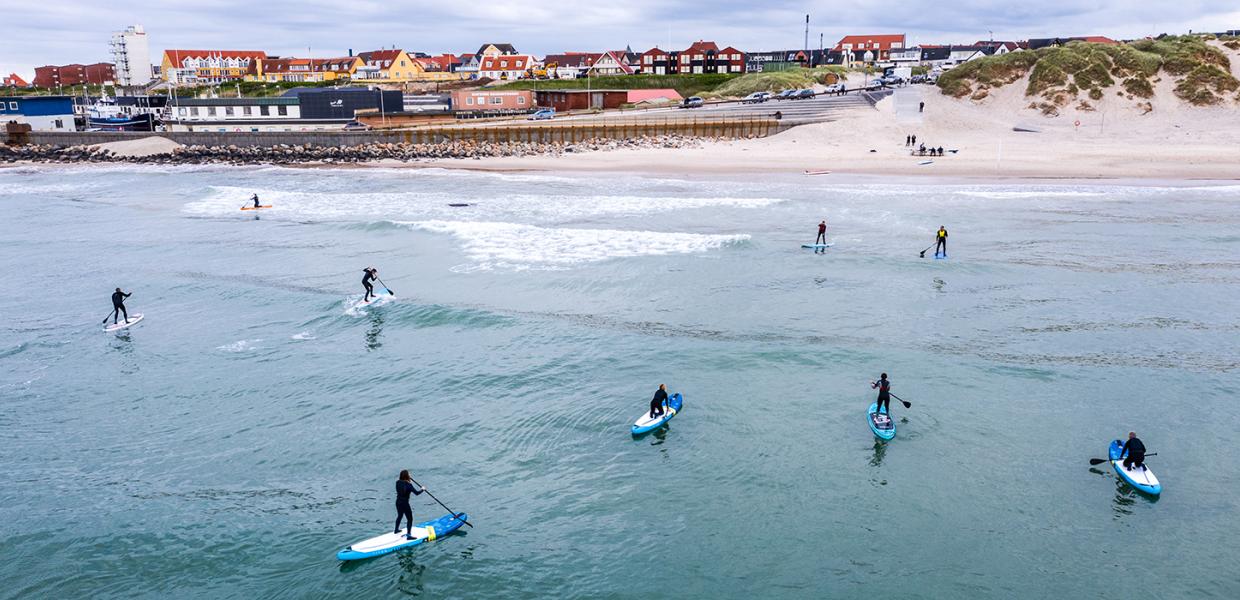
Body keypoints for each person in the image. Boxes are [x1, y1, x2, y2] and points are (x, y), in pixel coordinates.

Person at [394, 470, 426, 539]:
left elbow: (403, 487)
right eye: (409, 474)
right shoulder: (409, 485)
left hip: (398, 502)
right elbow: (417, 493)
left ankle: (396, 530)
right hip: (405, 503)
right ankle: (409, 535)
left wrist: (408, 482)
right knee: (410, 519)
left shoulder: (397, 482)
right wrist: (422, 489)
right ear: (407, 476)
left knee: (400, 515)